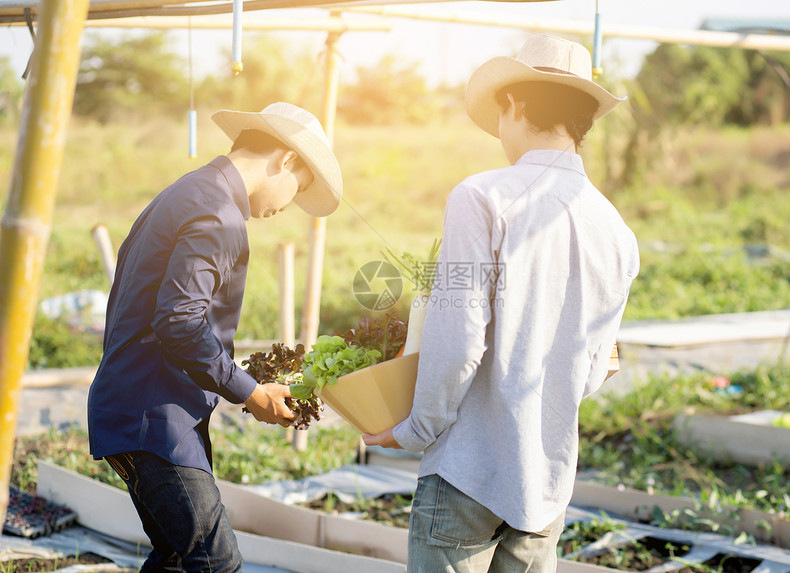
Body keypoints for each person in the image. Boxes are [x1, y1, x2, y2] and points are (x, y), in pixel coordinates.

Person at [363, 35, 640, 572]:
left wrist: (415, 428)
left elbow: (459, 337)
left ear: (515, 104)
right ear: (583, 119)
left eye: (501, 115)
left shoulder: (483, 196)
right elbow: (590, 374)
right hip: (545, 483)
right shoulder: (616, 230)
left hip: (470, 467)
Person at [87, 102, 342, 572]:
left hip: (138, 406)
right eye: (297, 188)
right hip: (155, 416)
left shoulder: (189, 191)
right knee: (214, 562)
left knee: (177, 560)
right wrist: (252, 392)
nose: (287, 204)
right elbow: (180, 321)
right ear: (284, 161)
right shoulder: (219, 213)